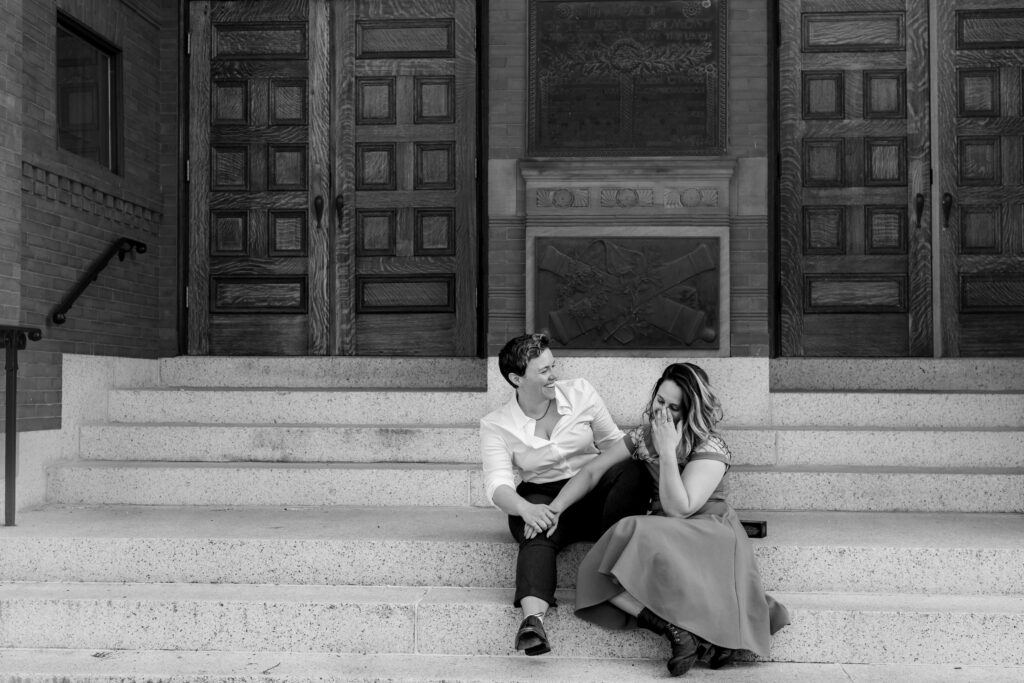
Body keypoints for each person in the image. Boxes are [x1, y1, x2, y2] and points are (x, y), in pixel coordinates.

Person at [545, 362, 790, 676]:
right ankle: (676, 631)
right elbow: (594, 470)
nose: (663, 412)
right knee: (596, 572)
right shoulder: (645, 435)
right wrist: (555, 508)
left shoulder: (710, 446)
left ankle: (710, 636)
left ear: (691, 410)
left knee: (629, 529)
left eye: (674, 407)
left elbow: (680, 508)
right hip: (666, 529)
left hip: (706, 529)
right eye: (660, 401)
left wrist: (668, 449)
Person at [480, 333, 652, 656]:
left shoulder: (581, 393)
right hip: (540, 495)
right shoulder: (496, 425)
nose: (554, 375)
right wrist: (525, 509)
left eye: (553, 366)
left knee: (631, 472)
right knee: (535, 529)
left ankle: (615, 556)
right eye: (543, 371)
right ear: (517, 379)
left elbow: (613, 445)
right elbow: (497, 485)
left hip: (595, 488)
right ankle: (533, 622)